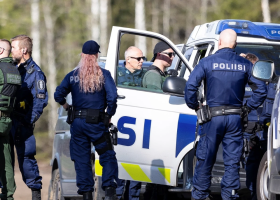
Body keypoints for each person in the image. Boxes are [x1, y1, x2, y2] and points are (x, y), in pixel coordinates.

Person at [185, 29, 267, 200]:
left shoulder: (207, 62)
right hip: (235, 119)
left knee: (206, 159)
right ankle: (229, 196)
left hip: (212, 118)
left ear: (219, 42)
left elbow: (190, 87)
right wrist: (247, 108)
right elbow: (261, 90)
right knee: (232, 163)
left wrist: (196, 106)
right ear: (235, 44)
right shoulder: (245, 64)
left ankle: (200, 196)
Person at [54, 40, 118, 200]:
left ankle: (87, 194)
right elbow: (113, 97)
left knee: (81, 160)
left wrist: (67, 106)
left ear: (82, 55)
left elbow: (58, 95)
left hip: (78, 124)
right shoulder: (104, 75)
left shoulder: (72, 76)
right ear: (97, 55)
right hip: (97, 123)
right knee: (107, 155)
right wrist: (109, 115)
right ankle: (110, 191)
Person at [10, 35, 48, 200]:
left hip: (22, 124)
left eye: (13, 48)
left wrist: (27, 121)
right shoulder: (11, 68)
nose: (11, 51)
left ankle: (35, 195)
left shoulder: (36, 73)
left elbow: (40, 102)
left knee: (26, 160)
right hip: (6, 122)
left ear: (23, 50)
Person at [241, 53, 277, 200]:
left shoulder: (274, 86)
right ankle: (253, 194)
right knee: (250, 167)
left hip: (269, 135)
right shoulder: (242, 84)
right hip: (249, 133)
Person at [116, 46, 142, 200]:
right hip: (122, 130)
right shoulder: (116, 76)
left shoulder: (144, 76)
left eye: (142, 58)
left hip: (140, 131)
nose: (141, 62)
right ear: (128, 60)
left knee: (136, 177)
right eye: (138, 59)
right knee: (119, 175)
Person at [0, 39, 21, 200]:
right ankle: (8, 195)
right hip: (6, 121)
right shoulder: (14, 71)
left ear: (1, 51)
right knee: (6, 159)